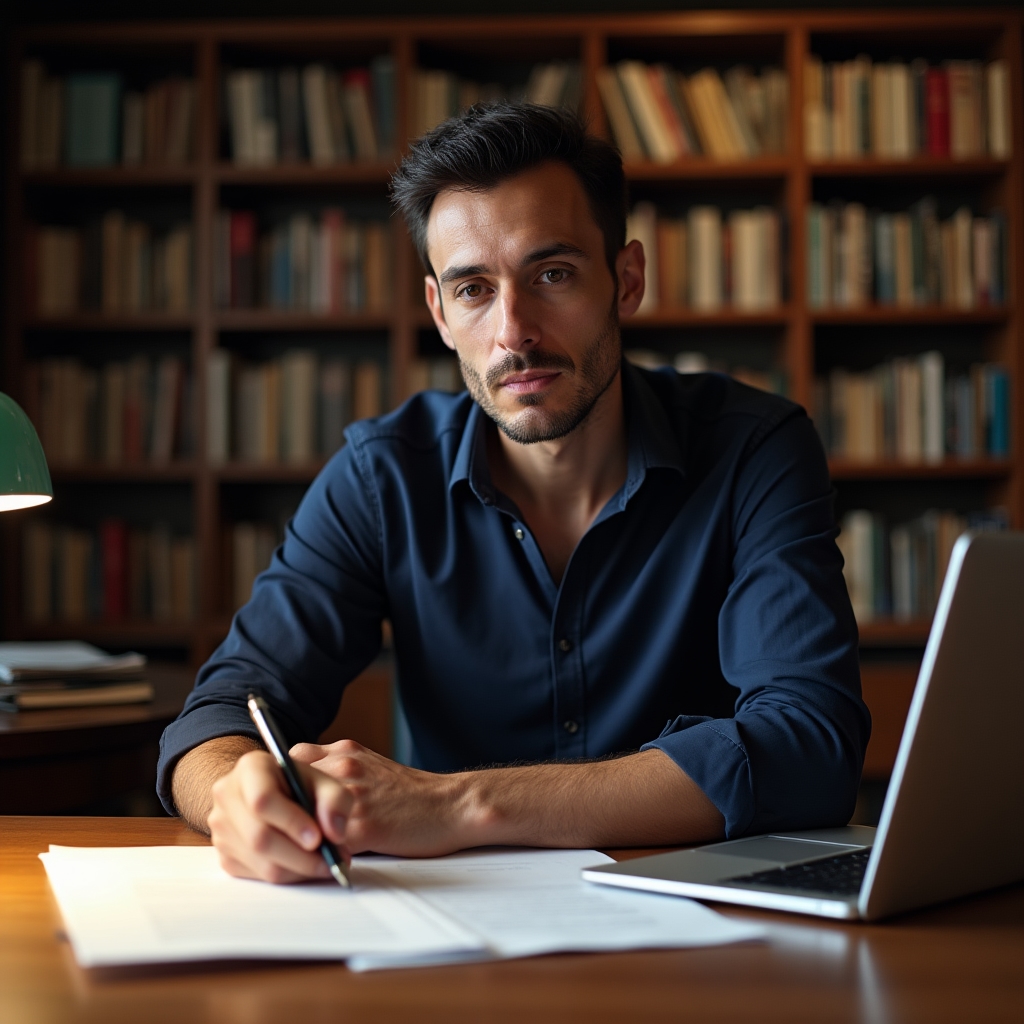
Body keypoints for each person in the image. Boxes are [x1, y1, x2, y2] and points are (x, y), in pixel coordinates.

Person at [160, 104, 869, 884]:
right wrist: (236, 793)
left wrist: (455, 805)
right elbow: (217, 718)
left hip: (701, 914)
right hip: (458, 919)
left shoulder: (754, 449)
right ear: (439, 312)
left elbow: (810, 747)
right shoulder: (382, 476)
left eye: (552, 274)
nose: (514, 331)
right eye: (474, 289)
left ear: (626, 281)